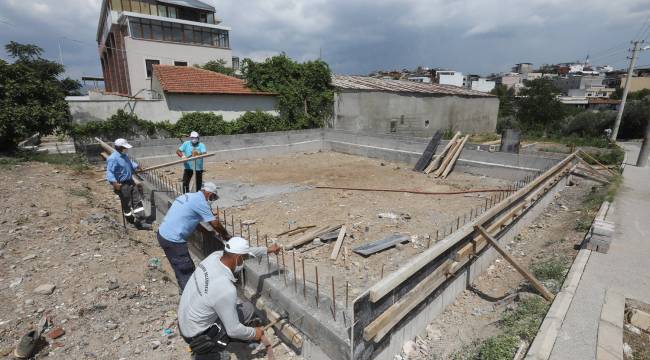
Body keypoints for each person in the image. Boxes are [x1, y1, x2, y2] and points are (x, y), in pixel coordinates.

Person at [178, 237, 281, 360]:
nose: (244, 261)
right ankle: (207, 353)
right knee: (237, 325)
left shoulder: (214, 257)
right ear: (238, 258)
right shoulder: (225, 289)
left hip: (184, 321)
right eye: (244, 258)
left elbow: (241, 252)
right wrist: (254, 333)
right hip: (196, 336)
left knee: (247, 309)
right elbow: (233, 330)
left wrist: (267, 250)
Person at [157, 182, 230, 292]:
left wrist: (206, 232)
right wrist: (226, 236)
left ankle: (183, 289)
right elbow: (214, 223)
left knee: (179, 267)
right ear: (208, 193)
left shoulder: (188, 196)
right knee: (187, 270)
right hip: (174, 241)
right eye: (213, 197)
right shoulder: (201, 202)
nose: (213, 200)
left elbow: (192, 220)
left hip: (163, 234)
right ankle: (190, 296)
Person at [106, 138, 149, 229]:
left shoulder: (124, 156)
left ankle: (141, 221)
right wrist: (114, 183)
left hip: (130, 182)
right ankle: (130, 222)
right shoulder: (113, 158)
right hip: (122, 185)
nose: (127, 149)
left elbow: (130, 163)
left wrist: (138, 166)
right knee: (127, 204)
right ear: (119, 147)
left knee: (137, 201)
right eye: (125, 147)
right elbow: (110, 172)